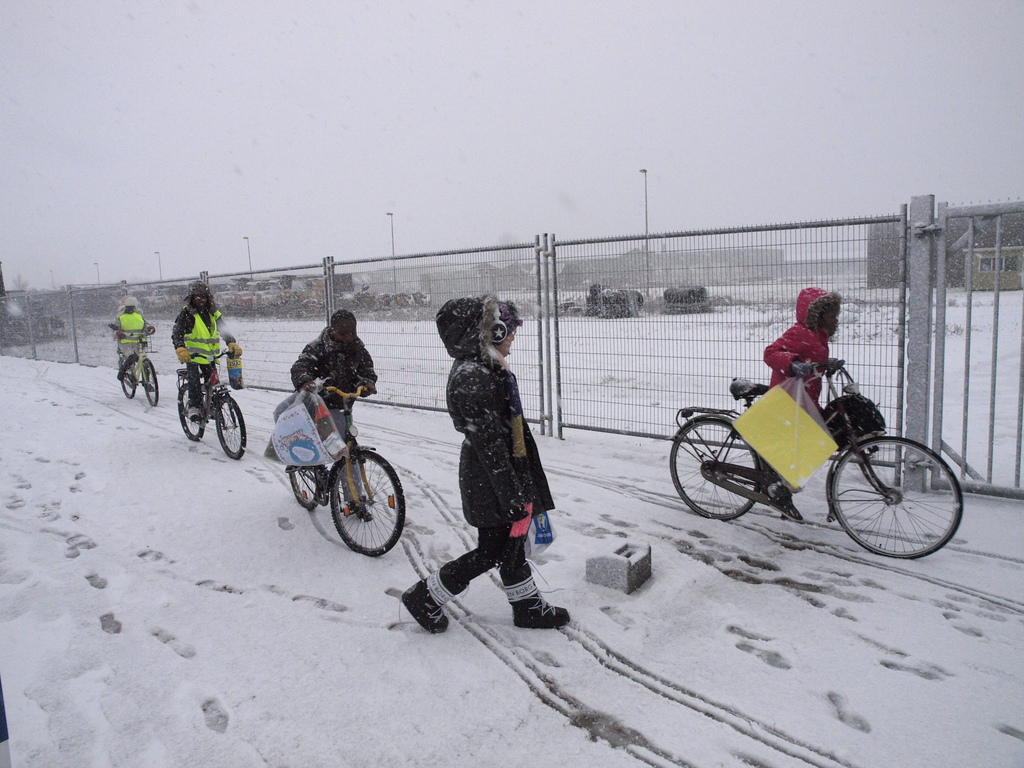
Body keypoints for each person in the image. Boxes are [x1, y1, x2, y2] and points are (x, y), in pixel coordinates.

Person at [401, 295, 569, 633]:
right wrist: (513, 496)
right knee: (492, 550)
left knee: (512, 544)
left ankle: (526, 607)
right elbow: (490, 447)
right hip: (491, 480)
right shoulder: (473, 377)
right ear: (489, 332)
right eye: (507, 331)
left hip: (502, 474)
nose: (512, 338)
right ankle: (426, 596)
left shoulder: (487, 368)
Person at [762, 287, 842, 522]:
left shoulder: (819, 335)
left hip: (804, 399)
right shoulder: (800, 332)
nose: (836, 319)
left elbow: (812, 359)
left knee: (810, 446)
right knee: (802, 447)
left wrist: (828, 364)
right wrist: (792, 363)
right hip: (788, 400)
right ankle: (780, 491)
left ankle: (782, 487)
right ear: (817, 314)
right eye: (831, 314)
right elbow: (771, 353)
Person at [171, 282, 241, 421]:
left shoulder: (213, 314)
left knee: (213, 382)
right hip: (192, 357)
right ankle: (194, 407)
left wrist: (231, 342)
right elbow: (177, 332)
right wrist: (180, 347)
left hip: (210, 357)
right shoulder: (187, 313)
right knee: (194, 381)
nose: (201, 300)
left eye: (204, 297)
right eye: (197, 297)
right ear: (192, 298)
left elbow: (223, 329)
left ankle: (214, 406)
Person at [290, 309, 378, 413]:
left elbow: (367, 371)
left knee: (341, 427)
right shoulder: (317, 348)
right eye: (342, 333)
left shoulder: (358, 350)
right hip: (315, 406)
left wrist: (366, 383)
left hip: (342, 407)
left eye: (353, 332)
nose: (348, 337)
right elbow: (301, 366)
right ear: (332, 330)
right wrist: (305, 382)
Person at [108, 296, 154, 382]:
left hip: (138, 343)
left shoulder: (139, 316)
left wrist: (149, 329)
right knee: (131, 357)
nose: (131, 309)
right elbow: (114, 332)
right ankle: (122, 373)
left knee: (144, 362)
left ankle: (147, 382)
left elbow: (145, 328)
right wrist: (117, 333)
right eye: (129, 307)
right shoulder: (120, 318)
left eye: (132, 308)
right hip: (126, 344)